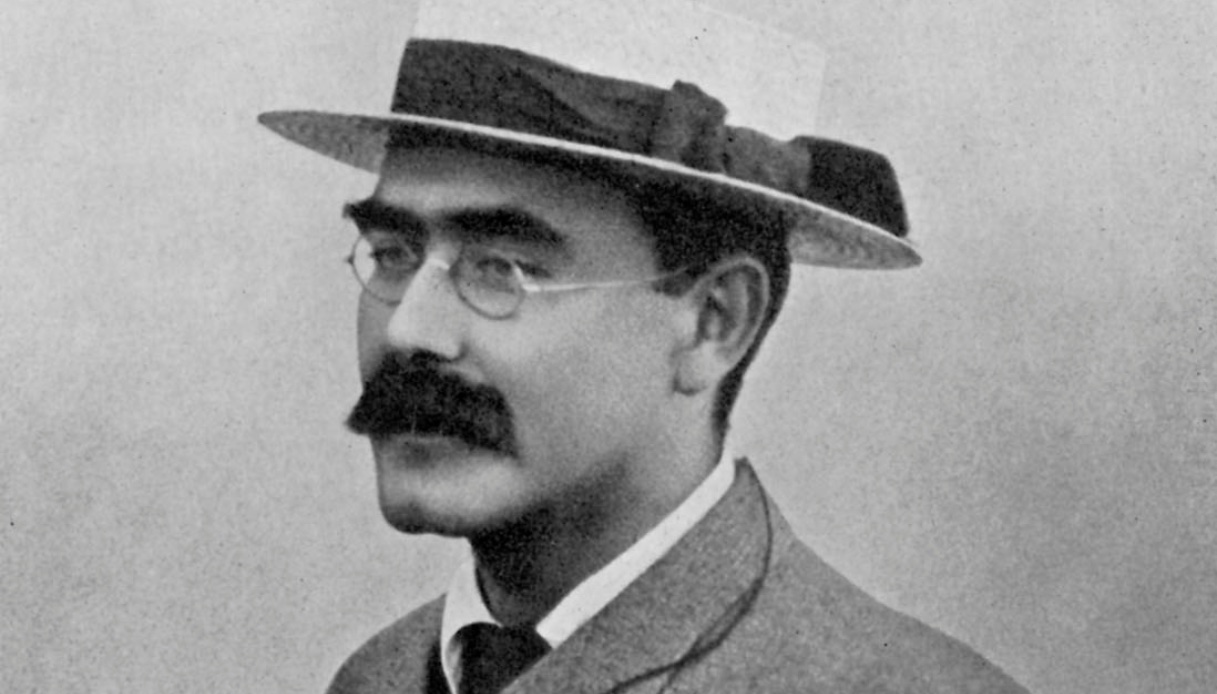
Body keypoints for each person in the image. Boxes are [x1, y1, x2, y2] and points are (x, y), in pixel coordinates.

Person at [259, 4, 1028, 693]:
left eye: (503, 269)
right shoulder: (379, 679)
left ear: (713, 322)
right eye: (392, 252)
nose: (407, 330)